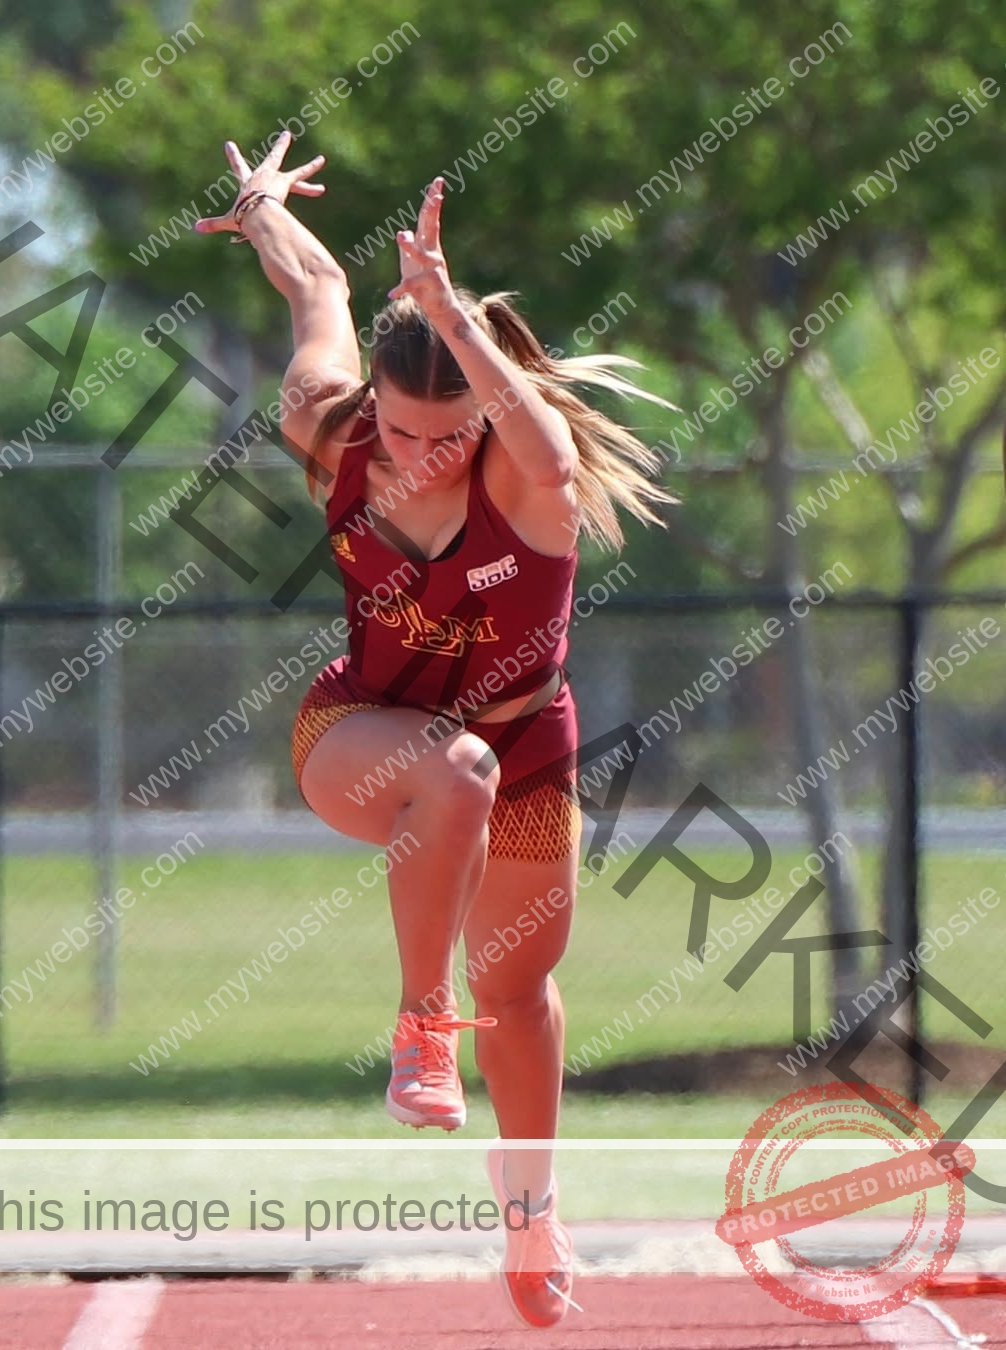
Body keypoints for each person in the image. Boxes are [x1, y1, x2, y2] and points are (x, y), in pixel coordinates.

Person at [195, 129, 675, 1328]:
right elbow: (317, 287)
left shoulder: (528, 486)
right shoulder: (332, 430)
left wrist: (452, 315)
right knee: (451, 773)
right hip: (366, 732)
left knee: (519, 990)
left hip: (528, 747)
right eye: (400, 432)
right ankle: (420, 1023)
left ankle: (532, 1213)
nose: (415, 457)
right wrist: (260, 205)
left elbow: (547, 445)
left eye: (445, 437)